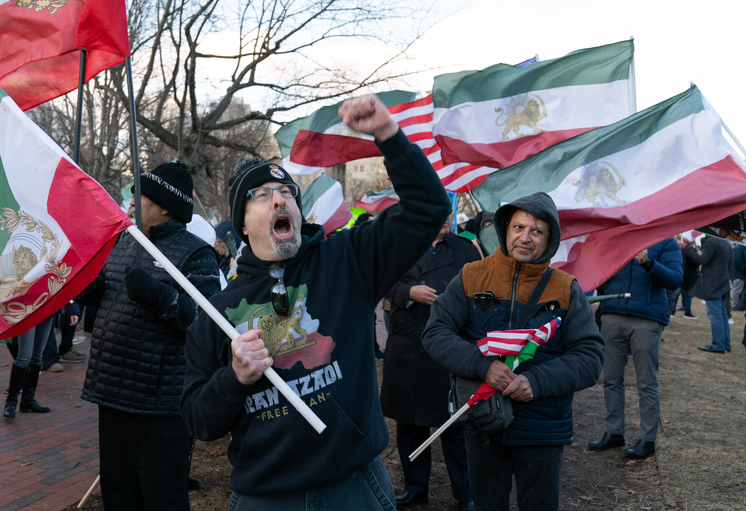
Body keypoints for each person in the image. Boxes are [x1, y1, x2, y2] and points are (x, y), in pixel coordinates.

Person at [181, 95, 451, 509]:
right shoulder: (217, 311)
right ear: (242, 223)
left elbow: (429, 209)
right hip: (266, 496)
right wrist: (234, 376)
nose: (279, 199)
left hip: (354, 485)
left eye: (287, 191)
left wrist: (388, 136)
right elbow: (200, 420)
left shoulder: (346, 260)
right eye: (261, 194)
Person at [422, 192, 604, 511]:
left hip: (543, 428)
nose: (525, 237)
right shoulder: (470, 276)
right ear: (505, 229)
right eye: (519, 227)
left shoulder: (566, 288)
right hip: (483, 422)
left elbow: (590, 357)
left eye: (537, 231)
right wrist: (483, 366)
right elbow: (436, 333)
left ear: (549, 239)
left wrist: (538, 382)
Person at [80, 161, 221, 510]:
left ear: (163, 206)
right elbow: (109, 302)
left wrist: (160, 297)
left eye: (139, 195)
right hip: (112, 392)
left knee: (161, 498)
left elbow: (205, 323)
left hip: (161, 404)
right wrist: (92, 291)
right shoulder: (123, 241)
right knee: (119, 494)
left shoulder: (197, 253)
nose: (131, 200)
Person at [381, 215, 480, 510]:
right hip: (407, 345)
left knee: (454, 424)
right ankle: (415, 488)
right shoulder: (401, 246)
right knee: (409, 424)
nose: (447, 217)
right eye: (440, 211)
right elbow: (381, 280)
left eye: (449, 212)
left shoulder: (465, 249)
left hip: (449, 346)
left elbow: (479, 287)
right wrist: (408, 292)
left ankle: (466, 494)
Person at [587, 238, 682, 460]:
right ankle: (614, 431)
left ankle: (647, 439)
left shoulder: (667, 241)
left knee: (646, 382)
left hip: (646, 319)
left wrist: (648, 262)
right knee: (611, 378)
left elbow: (675, 279)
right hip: (613, 315)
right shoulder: (622, 236)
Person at [685, 235, 732, 353]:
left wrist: (687, 249)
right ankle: (725, 343)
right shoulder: (725, 242)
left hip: (713, 284)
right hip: (722, 283)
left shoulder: (711, 242)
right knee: (722, 314)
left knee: (715, 315)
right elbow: (731, 264)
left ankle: (718, 344)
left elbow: (702, 260)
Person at [1, 316, 56, 417]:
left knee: (37, 356)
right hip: (27, 310)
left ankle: (28, 399)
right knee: (24, 356)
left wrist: (73, 309)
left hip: (47, 310)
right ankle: (11, 402)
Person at [677, 236, 700, 318]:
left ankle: (672, 311)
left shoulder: (679, 250)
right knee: (686, 293)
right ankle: (687, 311)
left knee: (677, 293)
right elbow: (697, 262)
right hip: (688, 275)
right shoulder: (691, 252)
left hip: (681, 274)